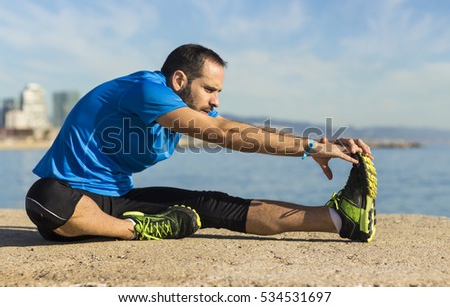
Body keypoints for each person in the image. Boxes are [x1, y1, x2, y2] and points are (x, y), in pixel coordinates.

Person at [25, 44, 377, 243]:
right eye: (210, 89)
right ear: (179, 80)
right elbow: (224, 133)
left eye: (218, 93)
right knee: (44, 196)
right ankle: (137, 229)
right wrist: (311, 148)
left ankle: (341, 218)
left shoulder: (174, 107)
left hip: (115, 200)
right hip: (71, 200)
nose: (215, 101)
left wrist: (316, 144)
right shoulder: (147, 89)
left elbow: (224, 125)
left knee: (213, 204)